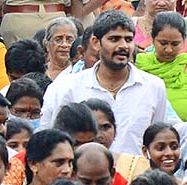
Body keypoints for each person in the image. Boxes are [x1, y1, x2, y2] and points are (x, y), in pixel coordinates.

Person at [41, 11, 171, 155]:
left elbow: (159, 140)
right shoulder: (66, 87)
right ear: (96, 43)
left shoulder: (153, 87)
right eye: (114, 39)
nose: (123, 46)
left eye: (128, 40)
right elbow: (50, 143)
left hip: (137, 175)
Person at [135, 10, 187, 119]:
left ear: (183, 41)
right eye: (163, 43)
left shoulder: (185, 65)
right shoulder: (138, 64)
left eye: (175, 44)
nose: (168, 50)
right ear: (153, 40)